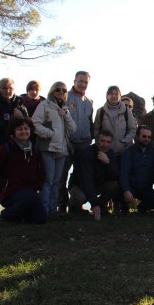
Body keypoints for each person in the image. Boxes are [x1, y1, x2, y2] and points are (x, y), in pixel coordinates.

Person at [0, 117, 47, 223]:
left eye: (26, 128)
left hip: (29, 191)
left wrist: (36, 186)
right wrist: (7, 183)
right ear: (13, 131)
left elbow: (42, 172)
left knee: (40, 218)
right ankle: (7, 215)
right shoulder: (3, 150)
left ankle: (20, 215)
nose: (24, 131)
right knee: (30, 199)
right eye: (19, 129)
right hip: (9, 192)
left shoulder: (35, 150)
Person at [0, 77, 28, 218]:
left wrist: (21, 117)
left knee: (13, 177)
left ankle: (13, 208)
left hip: (15, 148)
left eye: (10, 88)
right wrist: (10, 123)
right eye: (4, 88)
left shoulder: (19, 104)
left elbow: (27, 126)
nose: (8, 91)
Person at [32, 81, 76, 216]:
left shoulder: (65, 109)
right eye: (58, 90)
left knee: (56, 181)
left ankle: (53, 210)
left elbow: (73, 129)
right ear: (52, 91)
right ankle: (44, 210)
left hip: (62, 149)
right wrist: (50, 134)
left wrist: (66, 115)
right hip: (48, 148)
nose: (61, 92)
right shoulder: (44, 105)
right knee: (48, 181)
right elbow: (35, 123)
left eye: (64, 90)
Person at [58, 71, 93, 213]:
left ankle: (76, 204)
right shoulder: (65, 97)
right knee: (62, 174)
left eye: (86, 82)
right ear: (74, 81)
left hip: (84, 143)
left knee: (80, 175)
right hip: (67, 143)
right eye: (80, 81)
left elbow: (90, 123)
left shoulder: (89, 102)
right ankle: (61, 205)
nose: (83, 84)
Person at [68, 130, 120, 220]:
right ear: (96, 141)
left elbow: (115, 175)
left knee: (115, 185)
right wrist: (94, 203)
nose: (105, 145)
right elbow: (86, 181)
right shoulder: (86, 154)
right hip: (79, 185)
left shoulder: (110, 153)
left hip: (97, 184)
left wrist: (108, 163)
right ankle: (73, 207)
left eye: (108, 142)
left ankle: (101, 207)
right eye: (102, 141)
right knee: (80, 198)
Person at [120, 125, 154, 214]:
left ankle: (142, 208)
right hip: (132, 186)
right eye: (144, 136)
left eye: (149, 137)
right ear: (137, 137)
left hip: (146, 187)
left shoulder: (153, 152)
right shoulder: (129, 152)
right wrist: (126, 190)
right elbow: (124, 173)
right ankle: (123, 207)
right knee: (122, 194)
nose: (147, 139)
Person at [93, 86, 137, 160]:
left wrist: (125, 141)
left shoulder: (126, 111)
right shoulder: (100, 111)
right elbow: (96, 129)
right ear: (107, 96)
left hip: (122, 152)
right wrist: (100, 143)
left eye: (116, 94)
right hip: (105, 151)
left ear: (120, 96)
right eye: (111, 94)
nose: (114, 96)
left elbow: (132, 129)